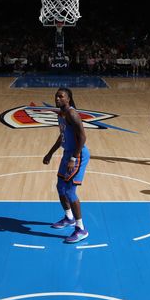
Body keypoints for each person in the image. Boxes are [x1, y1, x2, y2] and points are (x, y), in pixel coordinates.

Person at [43, 87, 90, 244]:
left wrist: (74, 158)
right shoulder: (60, 114)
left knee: (70, 191)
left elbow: (83, 137)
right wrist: (50, 153)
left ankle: (81, 229)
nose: (57, 99)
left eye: (61, 97)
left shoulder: (71, 113)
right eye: (56, 96)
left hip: (78, 154)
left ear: (68, 99)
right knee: (60, 187)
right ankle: (69, 217)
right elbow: (62, 135)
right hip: (67, 153)